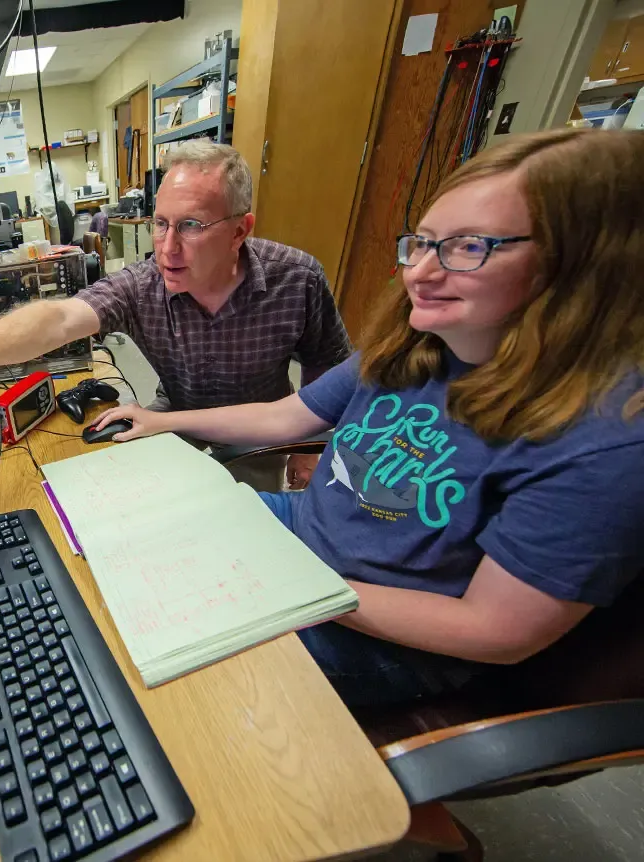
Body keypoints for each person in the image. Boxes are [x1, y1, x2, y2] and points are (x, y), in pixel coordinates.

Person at [91, 128, 644, 707]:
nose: (420, 274)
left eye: (467, 247)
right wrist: (168, 422)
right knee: (131, 543)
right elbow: (287, 417)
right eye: (423, 244)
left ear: (579, 266)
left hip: (376, 627)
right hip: (302, 534)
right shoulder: (418, 347)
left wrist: (297, 585)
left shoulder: (602, 444)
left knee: (145, 666)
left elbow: (495, 632)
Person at [0, 141, 350, 492]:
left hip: (265, 439)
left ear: (241, 230)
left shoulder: (298, 278)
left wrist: (312, 446)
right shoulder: (143, 283)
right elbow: (59, 319)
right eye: (161, 224)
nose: (168, 247)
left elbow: (329, 367)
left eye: (191, 226)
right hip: (170, 426)